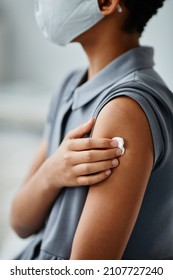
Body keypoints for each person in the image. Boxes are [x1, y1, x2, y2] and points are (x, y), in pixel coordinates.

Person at [10, 0, 173, 260]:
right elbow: (20, 222)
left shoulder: (125, 110)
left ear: (106, 3)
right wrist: (51, 173)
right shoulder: (69, 86)